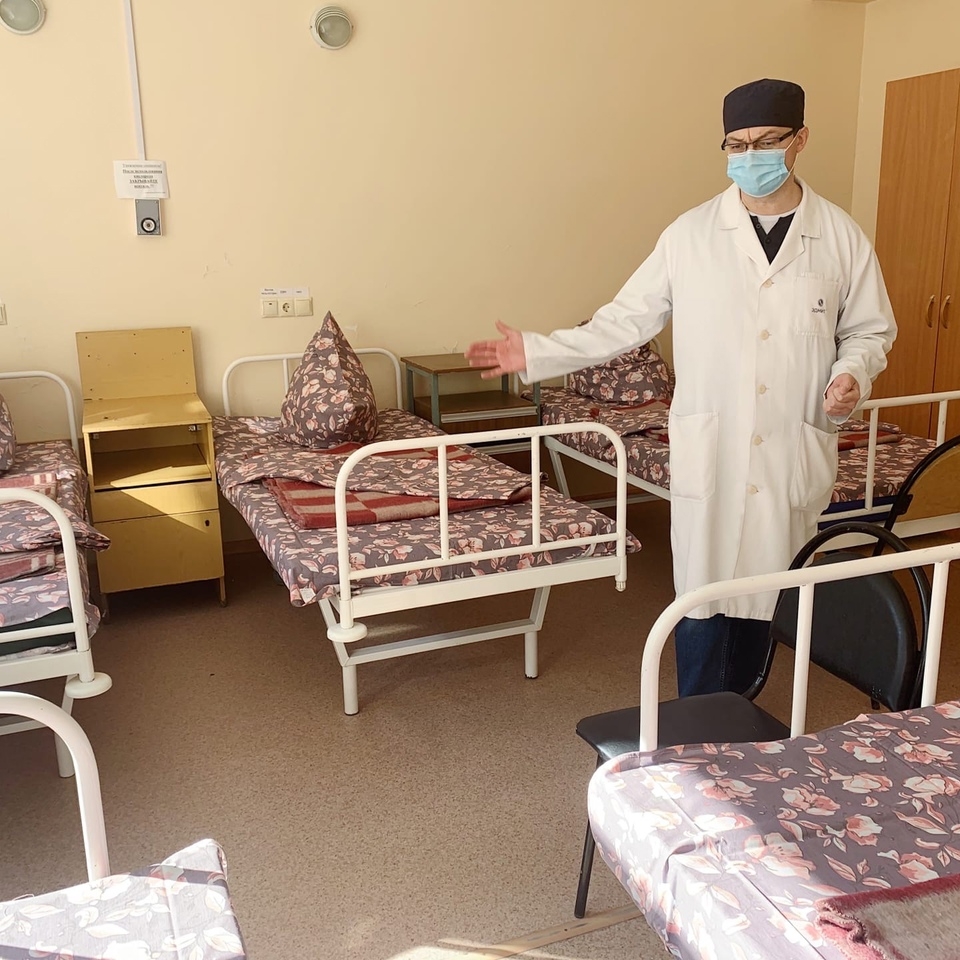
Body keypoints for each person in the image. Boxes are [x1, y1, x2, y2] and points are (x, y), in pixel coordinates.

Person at [465, 78, 897, 698]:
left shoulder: (841, 237)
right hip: (711, 449)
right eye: (736, 145)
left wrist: (851, 372)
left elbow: (869, 330)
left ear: (800, 139)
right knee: (701, 602)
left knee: (771, 598)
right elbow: (623, 321)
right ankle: (697, 728)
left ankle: (743, 721)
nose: (749, 156)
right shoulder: (691, 235)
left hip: (790, 451)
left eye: (766, 142)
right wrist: (538, 350)